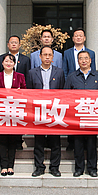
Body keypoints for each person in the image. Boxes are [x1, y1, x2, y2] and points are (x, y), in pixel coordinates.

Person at [64, 50, 98, 177]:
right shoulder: (72, 77)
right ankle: (79, 168)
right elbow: (66, 96)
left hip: (93, 116)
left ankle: (92, 168)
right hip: (77, 116)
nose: (84, 61)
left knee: (92, 143)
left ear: (90, 60)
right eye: (81, 58)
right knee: (78, 143)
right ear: (78, 61)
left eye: (86, 58)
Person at [27, 46, 66, 177]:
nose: (47, 57)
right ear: (40, 56)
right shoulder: (32, 72)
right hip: (38, 110)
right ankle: (39, 167)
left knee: (55, 141)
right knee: (39, 141)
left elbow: (62, 91)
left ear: (53, 57)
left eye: (50, 55)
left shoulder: (59, 72)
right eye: (45, 55)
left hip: (54, 109)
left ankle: (55, 167)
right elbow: (29, 92)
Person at [0, 54, 27, 176]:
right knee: (2, 139)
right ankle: (3, 166)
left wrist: (20, 92)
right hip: (1, 112)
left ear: (14, 64)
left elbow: (25, 92)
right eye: (6, 61)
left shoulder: (20, 76)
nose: (8, 63)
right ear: (2, 63)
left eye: (11, 61)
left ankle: (10, 166)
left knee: (12, 139)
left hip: (14, 111)